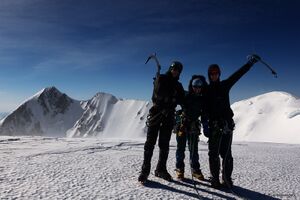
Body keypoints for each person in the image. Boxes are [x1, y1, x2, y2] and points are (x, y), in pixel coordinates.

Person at [205, 55, 260, 188]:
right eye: (211, 73)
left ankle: (227, 179)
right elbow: (198, 104)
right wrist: (205, 124)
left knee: (226, 154)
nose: (214, 75)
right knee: (213, 154)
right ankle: (215, 179)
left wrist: (250, 63)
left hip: (226, 125)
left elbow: (237, 75)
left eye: (216, 73)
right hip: (213, 126)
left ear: (219, 74)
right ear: (209, 75)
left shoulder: (225, 85)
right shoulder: (205, 90)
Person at [138, 61, 185, 184]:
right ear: (170, 69)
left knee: (164, 145)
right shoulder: (161, 79)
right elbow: (157, 94)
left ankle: (161, 169)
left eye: (178, 70)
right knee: (150, 144)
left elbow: (183, 100)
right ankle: (145, 171)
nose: (175, 71)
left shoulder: (178, 86)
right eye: (174, 69)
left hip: (168, 116)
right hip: (156, 115)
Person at [174, 75, 208, 181]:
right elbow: (175, 92)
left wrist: (206, 126)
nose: (197, 88)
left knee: (193, 150)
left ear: (202, 87)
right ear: (192, 86)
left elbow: (204, 115)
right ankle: (180, 169)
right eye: (195, 86)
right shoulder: (185, 95)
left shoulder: (202, 99)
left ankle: (195, 170)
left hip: (192, 126)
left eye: (199, 86)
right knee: (181, 148)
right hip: (182, 125)